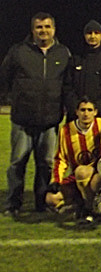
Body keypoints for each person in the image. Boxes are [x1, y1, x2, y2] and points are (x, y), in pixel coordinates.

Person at [0, 12, 72, 216]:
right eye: (39, 27)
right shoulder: (19, 51)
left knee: (46, 165)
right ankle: (13, 204)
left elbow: (67, 85)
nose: (43, 31)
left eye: (47, 27)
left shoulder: (62, 53)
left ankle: (42, 203)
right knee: (17, 163)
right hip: (22, 120)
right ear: (33, 30)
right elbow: (4, 78)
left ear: (54, 29)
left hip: (49, 121)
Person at [45, 97, 101, 223]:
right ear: (76, 112)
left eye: (89, 110)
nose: (86, 113)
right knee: (51, 199)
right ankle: (81, 204)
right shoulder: (66, 130)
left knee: (82, 172)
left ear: (95, 112)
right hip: (77, 177)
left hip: (98, 175)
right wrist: (56, 180)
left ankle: (89, 209)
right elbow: (60, 159)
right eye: (82, 110)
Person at [66, 20, 101, 122]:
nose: (92, 36)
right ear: (84, 36)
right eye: (89, 33)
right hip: (77, 117)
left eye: (96, 33)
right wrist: (79, 109)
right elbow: (67, 86)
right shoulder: (76, 58)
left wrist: (96, 109)